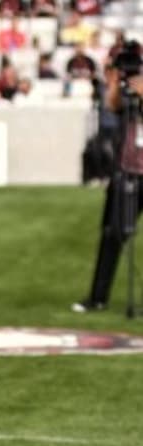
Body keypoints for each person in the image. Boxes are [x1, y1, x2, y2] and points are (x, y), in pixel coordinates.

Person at [73, 43, 143, 312]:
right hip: (126, 171)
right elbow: (112, 107)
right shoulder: (125, 91)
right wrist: (114, 82)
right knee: (112, 233)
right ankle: (98, 297)